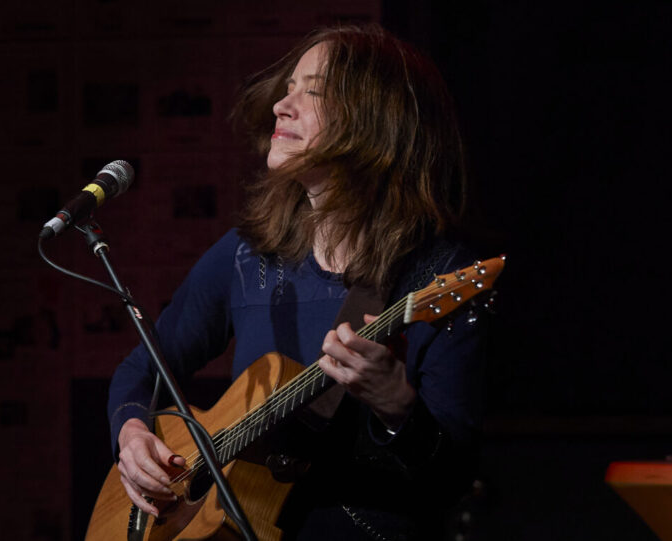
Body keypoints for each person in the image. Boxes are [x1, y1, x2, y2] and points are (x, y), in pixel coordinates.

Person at [107, 23, 487, 540]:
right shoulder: (248, 255)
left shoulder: (434, 277)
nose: (280, 108)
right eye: (287, 89)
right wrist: (132, 435)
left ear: (377, 122)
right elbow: (143, 368)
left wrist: (397, 406)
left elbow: (453, 478)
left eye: (313, 92)